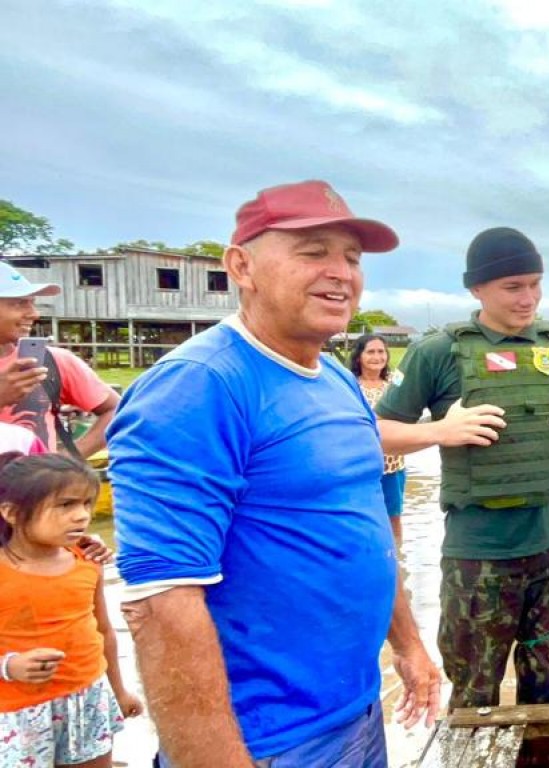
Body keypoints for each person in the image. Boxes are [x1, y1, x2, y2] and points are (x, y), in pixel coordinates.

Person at [107, 180, 440, 767]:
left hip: (358, 710)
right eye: (313, 252)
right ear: (242, 266)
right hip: (266, 741)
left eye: (352, 258)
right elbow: (159, 604)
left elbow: (361, 528)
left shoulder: (335, 378)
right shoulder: (199, 386)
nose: (341, 272)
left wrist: (408, 646)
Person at [376, 226, 549, 710]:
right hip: (479, 552)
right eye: (513, 287)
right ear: (476, 289)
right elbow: (374, 431)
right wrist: (439, 430)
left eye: (535, 283)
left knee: (548, 681)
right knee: (474, 692)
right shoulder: (438, 351)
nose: (529, 298)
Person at [0, 452, 143, 766]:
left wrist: (119, 690)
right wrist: (9, 666)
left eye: (86, 503)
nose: (81, 516)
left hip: (87, 698)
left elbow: (103, 629)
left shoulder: (86, 560)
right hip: (15, 712)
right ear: (11, 512)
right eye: (65, 505)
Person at [0, 263, 119, 456]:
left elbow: (116, 410)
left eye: (32, 303)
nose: (34, 314)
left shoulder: (51, 362)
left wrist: (69, 458)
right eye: (19, 303)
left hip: (36, 486)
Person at [350, 333, 407, 545]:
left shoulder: (395, 383)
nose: (377, 357)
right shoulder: (351, 385)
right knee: (363, 517)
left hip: (393, 465)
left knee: (394, 516)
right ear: (359, 357)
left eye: (381, 351)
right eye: (370, 352)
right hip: (361, 465)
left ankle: (397, 557)